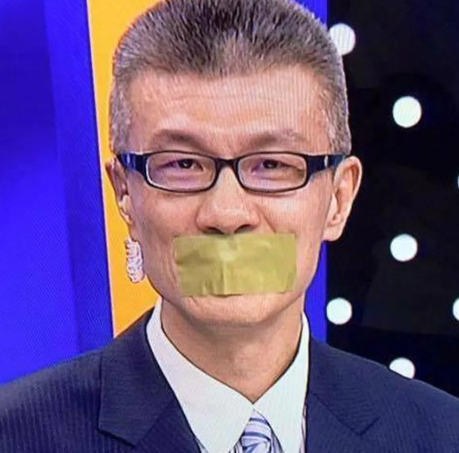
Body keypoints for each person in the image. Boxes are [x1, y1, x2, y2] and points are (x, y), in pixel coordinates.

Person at [1, 0, 459, 451]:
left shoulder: (440, 434)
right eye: (183, 164)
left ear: (339, 199)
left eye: (272, 165)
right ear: (125, 194)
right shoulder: (16, 436)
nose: (226, 214)